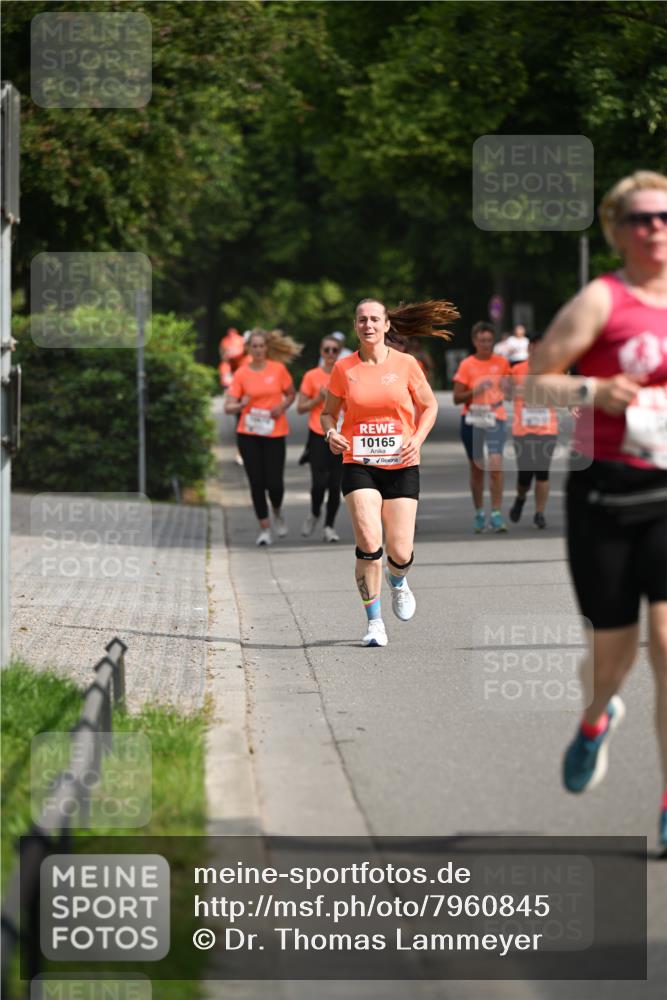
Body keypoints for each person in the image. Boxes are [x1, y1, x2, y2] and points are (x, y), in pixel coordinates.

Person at [527, 170, 667, 855]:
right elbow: (535, 381)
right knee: (611, 661)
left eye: (664, 216)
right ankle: (593, 718)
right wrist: (593, 388)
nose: (654, 227)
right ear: (616, 231)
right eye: (640, 219)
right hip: (607, 496)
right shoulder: (599, 301)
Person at [321, 297, 458, 647]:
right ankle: (374, 623)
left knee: (400, 551)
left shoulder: (407, 364)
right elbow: (328, 413)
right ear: (355, 326)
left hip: (401, 463)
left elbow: (429, 406)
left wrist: (417, 439)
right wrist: (331, 433)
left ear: (386, 326)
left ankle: (398, 581)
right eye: (361, 319)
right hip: (358, 462)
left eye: (374, 319)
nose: (368, 325)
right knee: (369, 543)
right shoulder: (343, 369)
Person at [225, 328, 300, 546]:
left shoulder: (278, 370)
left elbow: (291, 394)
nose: (258, 350)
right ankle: (265, 528)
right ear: (248, 348)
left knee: (274, 484)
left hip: (274, 432)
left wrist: (282, 406)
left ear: (267, 348)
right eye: (254, 346)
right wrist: (241, 404)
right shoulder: (241, 374)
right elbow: (228, 406)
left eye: (261, 346)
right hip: (248, 434)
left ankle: (276, 510)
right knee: (256, 482)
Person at [452, 321, 511, 533]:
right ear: (475, 341)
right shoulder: (467, 364)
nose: (486, 344)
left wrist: (508, 387)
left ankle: (496, 513)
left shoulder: (502, 363)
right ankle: (479, 513)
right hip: (473, 419)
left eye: (489, 340)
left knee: (495, 465)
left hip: (496, 417)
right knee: (477, 468)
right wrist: (475, 390)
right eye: (482, 340)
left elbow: (510, 391)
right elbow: (457, 398)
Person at [507, 330, 559, 528]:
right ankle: (521, 498)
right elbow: (507, 393)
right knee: (525, 475)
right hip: (523, 430)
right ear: (529, 348)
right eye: (534, 347)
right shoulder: (517, 370)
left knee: (542, 472)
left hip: (547, 430)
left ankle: (539, 513)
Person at [297, 336, 344, 542]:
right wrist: (319, 398)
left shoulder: (346, 375)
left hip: (340, 434)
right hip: (317, 434)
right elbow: (300, 408)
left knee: (335, 485)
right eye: (327, 350)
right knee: (319, 484)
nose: (331, 354)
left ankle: (329, 527)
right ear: (321, 352)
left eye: (335, 350)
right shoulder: (311, 376)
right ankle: (315, 512)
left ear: (340, 352)